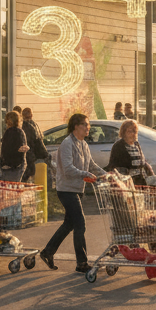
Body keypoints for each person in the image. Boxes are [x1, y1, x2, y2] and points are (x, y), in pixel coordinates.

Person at [41, 113, 106, 274]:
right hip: (66, 190)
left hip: (78, 189)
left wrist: (107, 174)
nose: (87, 128)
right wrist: (85, 174)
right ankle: (82, 263)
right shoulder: (67, 144)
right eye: (85, 124)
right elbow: (68, 169)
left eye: (88, 125)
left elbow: (91, 164)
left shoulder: (83, 144)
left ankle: (47, 252)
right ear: (76, 126)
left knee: (69, 224)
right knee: (80, 224)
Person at [109, 119, 156, 186]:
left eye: (135, 131)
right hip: (128, 182)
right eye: (130, 131)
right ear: (124, 132)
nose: (133, 133)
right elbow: (116, 166)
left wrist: (151, 174)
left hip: (141, 180)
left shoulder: (136, 144)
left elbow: (142, 161)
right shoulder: (119, 146)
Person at [0, 110, 29, 182]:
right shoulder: (19, 132)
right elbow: (22, 147)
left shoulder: (8, 132)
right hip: (16, 165)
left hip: (7, 165)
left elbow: (5, 148)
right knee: (14, 186)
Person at [21, 108, 48, 183]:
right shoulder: (34, 125)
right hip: (35, 155)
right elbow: (38, 139)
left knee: (26, 176)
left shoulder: (25, 126)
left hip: (30, 155)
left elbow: (32, 141)